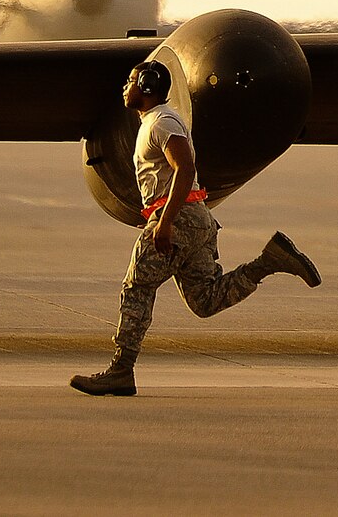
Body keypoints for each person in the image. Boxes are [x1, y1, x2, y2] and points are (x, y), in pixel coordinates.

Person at [70, 59, 321, 396]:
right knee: (204, 299)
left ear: (146, 85)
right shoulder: (155, 122)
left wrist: (166, 222)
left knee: (138, 286)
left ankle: (121, 370)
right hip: (194, 216)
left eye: (130, 81)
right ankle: (269, 261)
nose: (124, 87)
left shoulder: (162, 122)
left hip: (179, 216)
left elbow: (185, 169)